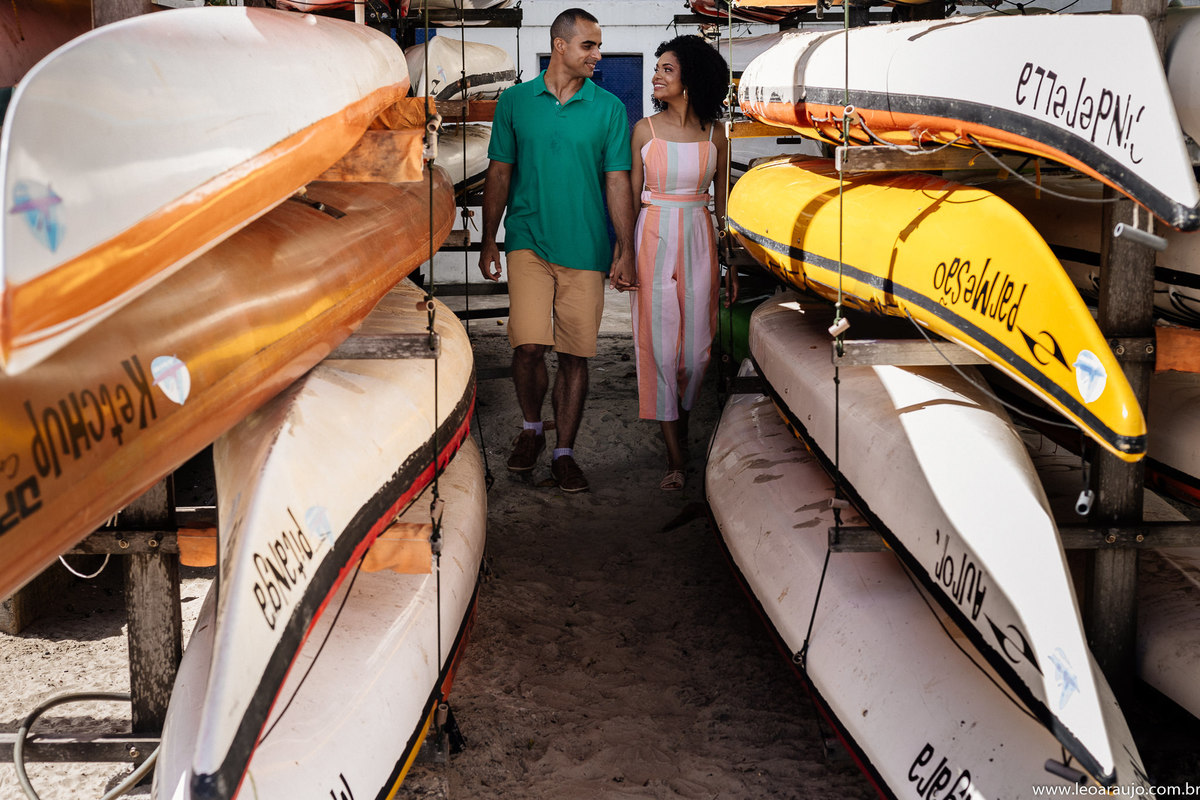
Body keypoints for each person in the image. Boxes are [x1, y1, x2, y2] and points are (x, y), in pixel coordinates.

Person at [479, 8, 635, 494]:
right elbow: (500, 173)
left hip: (586, 247)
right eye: (589, 45)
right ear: (560, 46)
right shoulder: (515, 102)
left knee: (574, 355)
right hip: (528, 239)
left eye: (599, 45)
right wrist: (489, 237)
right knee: (527, 346)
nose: (598, 54)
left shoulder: (609, 107)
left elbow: (617, 181)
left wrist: (625, 247)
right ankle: (531, 430)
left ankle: (564, 452)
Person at [629, 35, 736, 492]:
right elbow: (631, 201)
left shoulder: (717, 134)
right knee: (658, 348)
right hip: (652, 233)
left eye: (667, 69)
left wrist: (729, 264)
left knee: (696, 352)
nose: (656, 75)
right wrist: (621, 257)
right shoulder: (644, 130)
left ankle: (683, 426)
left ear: (690, 78)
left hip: (699, 236)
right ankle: (676, 457)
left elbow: (724, 204)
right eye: (657, 68)